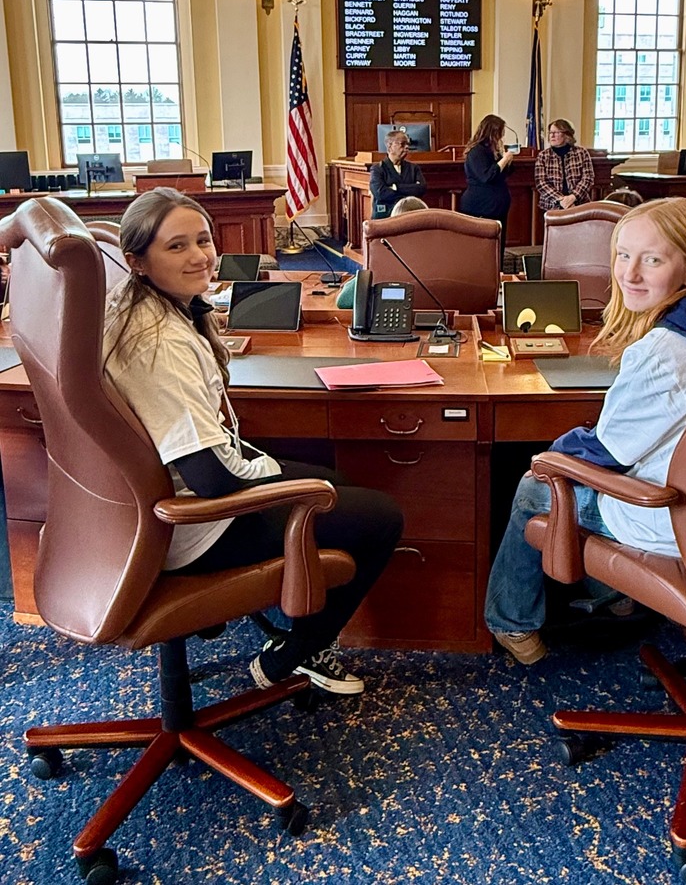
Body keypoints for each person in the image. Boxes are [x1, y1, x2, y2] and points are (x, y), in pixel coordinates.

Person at [103, 187, 404, 695]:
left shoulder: (140, 309)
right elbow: (212, 477)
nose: (199, 256)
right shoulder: (162, 344)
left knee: (334, 481)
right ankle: (296, 652)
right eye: (176, 247)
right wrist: (273, 474)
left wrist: (284, 473)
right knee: (379, 516)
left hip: (149, 510)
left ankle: (301, 632)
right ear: (137, 261)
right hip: (195, 522)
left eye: (203, 240)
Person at [485, 197, 686, 666]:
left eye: (652, 259)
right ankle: (616, 597)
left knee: (536, 482)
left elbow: (607, 451)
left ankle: (512, 622)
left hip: (669, 514)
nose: (629, 274)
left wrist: (554, 454)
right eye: (623, 254)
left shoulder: (663, 352)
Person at [458, 114, 515, 265]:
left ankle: (498, 272)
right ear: (492, 132)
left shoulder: (493, 150)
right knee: (481, 248)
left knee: (497, 247)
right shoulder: (477, 152)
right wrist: (504, 160)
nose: (502, 136)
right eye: (500, 133)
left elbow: (504, 174)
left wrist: (505, 158)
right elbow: (487, 176)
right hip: (481, 206)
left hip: (497, 207)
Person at [535, 118, 595, 212]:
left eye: (556, 132)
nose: (552, 135)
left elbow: (588, 178)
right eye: (550, 132)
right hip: (551, 206)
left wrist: (573, 197)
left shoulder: (581, 153)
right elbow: (541, 183)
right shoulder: (543, 156)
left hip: (579, 204)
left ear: (566, 134)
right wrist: (561, 200)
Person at [369, 130, 427, 218]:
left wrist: (395, 187)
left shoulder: (413, 168)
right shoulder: (377, 169)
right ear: (389, 146)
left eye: (408, 144)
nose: (407, 147)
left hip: (410, 216)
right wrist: (410, 189)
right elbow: (380, 193)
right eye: (402, 144)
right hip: (386, 216)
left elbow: (421, 189)